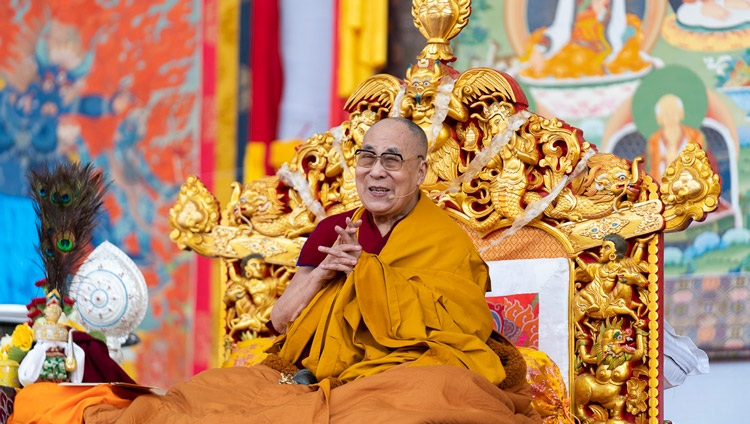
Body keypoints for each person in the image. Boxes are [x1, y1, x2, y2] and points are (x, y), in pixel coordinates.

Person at [9, 118, 540, 423]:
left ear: (420, 170)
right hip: (311, 378)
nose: (376, 172)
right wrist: (326, 272)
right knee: (209, 395)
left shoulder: (446, 240)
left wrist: (379, 278)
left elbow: (465, 332)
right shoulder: (336, 229)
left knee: (442, 397)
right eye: (367, 158)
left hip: (397, 376)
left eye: (393, 161)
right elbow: (284, 321)